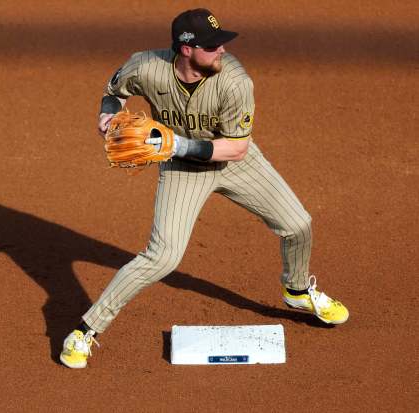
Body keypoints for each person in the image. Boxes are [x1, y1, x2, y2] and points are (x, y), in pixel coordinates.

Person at [60, 8, 349, 369]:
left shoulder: (235, 81)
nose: (222, 52)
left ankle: (297, 290)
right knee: (162, 257)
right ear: (186, 49)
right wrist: (107, 114)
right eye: (212, 46)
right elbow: (114, 90)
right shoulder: (146, 66)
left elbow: (237, 147)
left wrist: (175, 145)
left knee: (298, 224)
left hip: (235, 163)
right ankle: (86, 330)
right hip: (183, 171)